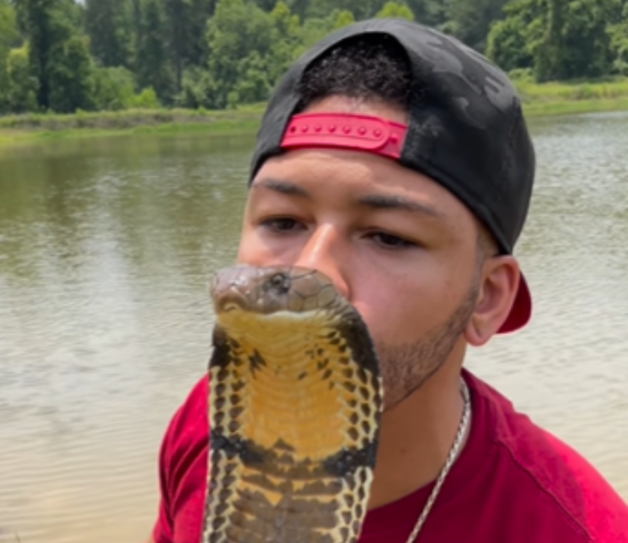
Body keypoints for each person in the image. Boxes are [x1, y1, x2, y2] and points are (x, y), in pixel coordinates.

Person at [148, 18, 628, 543]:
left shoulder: (573, 530)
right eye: (282, 221)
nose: (309, 271)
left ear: (487, 298)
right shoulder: (206, 427)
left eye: (389, 237)